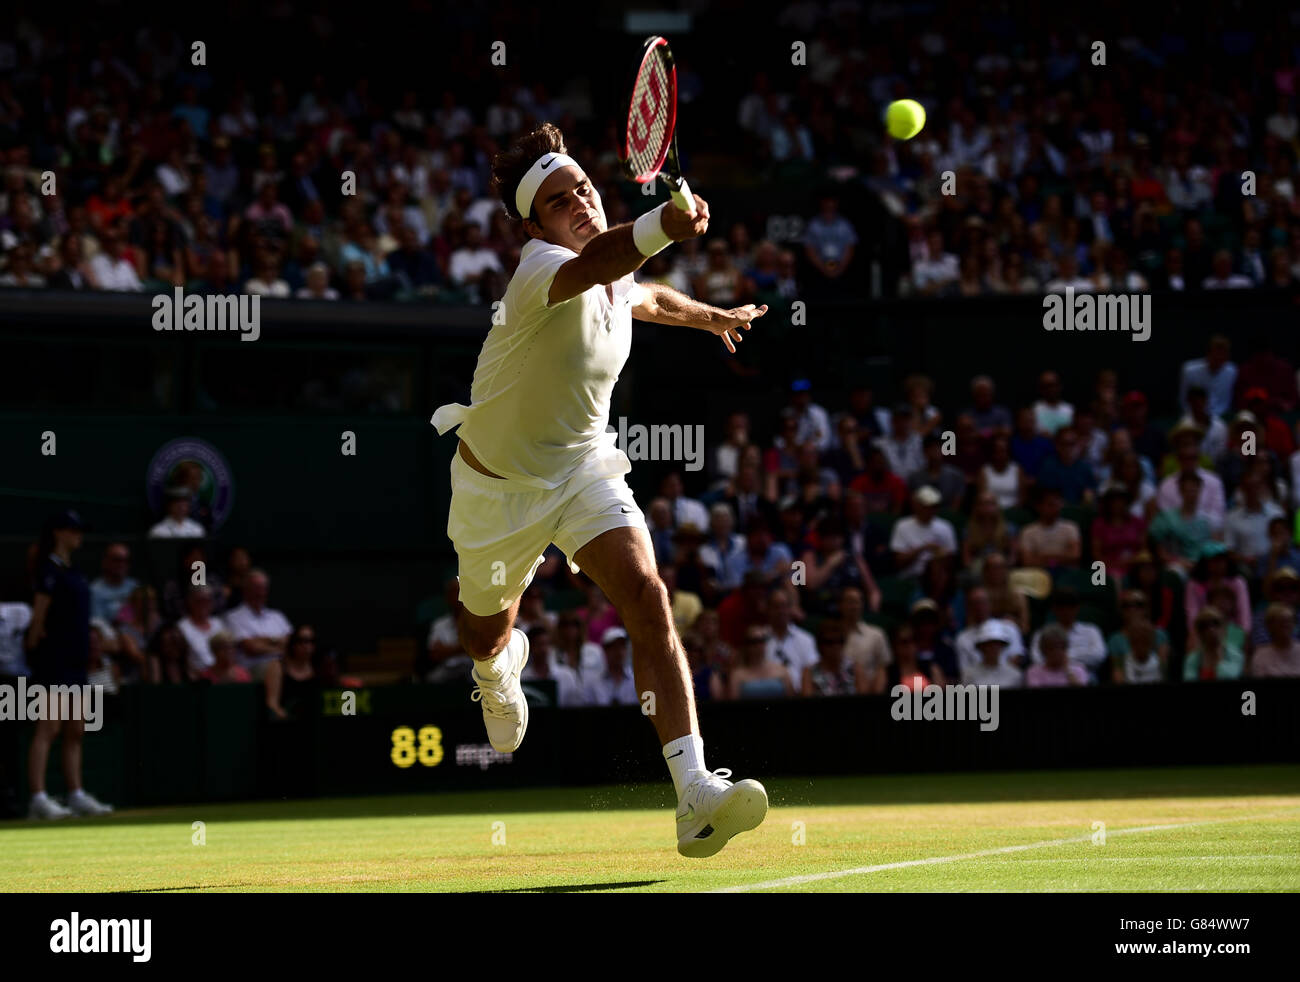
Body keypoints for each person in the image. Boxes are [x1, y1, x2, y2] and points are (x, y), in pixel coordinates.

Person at [23, 510, 113, 818]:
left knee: (76, 729)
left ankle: (75, 793)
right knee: (48, 728)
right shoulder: (48, 569)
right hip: (54, 661)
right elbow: (39, 615)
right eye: (73, 530)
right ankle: (38, 798)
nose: (79, 536)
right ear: (59, 533)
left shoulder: (73, 571)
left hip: (76, 662)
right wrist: (35, 649)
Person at [728, 626, 794, 700]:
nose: (758, 645)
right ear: (747, 645)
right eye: (754, 641)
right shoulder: (737, 675)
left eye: (762, 640)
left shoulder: (781, 670)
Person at [802, 621, 865, 696]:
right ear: (820, 645)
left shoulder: (855, 669)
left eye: (840, 641)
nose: (836, 646)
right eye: (830, 642)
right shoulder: (810, 672)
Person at [1183, 607, 1245, 681]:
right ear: (1200, 633)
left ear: (1224, 628)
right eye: (1205, 626)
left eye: (1216, 623)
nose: (1211, 629)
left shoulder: (1236, 656)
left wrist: (1219, 660)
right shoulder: (1192, 660)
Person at [961, 620, 1024, 687]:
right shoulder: (969, 675)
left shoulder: (1015, 675)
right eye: (989, 645)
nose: (993, 648)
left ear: (1002, 646)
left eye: (996, 644)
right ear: (981, 647)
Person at [1248, 604, 1300, 677]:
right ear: (1270, 626)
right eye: (1281, 622)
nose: (1286, 625)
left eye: (1289, 621)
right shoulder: (1261, 655)